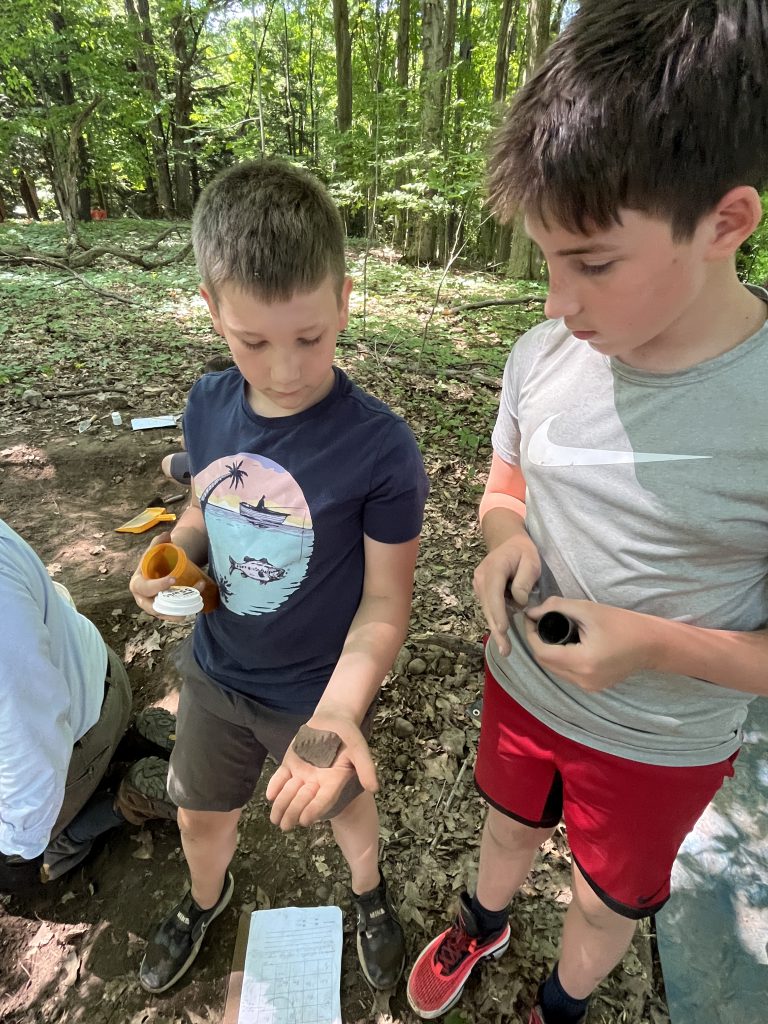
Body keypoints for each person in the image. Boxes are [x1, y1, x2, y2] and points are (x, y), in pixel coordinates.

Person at [407, 3, 768, 1023]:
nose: (558, 301)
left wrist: (650, 642)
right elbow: (506, 481)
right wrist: (503, 539)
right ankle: (486, 922)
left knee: (608, 901)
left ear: (725, 222)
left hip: (663, 741)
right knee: (506, 830)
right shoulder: (544, 355)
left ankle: (560, 1005)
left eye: (594, 262)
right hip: (522, 690)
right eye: (545, 258)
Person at [129, 158, 429, 994]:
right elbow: (200, 511)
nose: (287, 369)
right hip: (218, 672)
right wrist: (174, 559)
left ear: (344, 300)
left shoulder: (381, 449)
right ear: (212, 311)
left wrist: (336, 713)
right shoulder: (208, 404)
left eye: (311, 336)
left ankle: (369, 894)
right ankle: (203, 899)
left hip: (315, 688)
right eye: (253, 341)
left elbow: (383, 601)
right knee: (198, 811)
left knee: (346, 808)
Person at [0, 519, 175, 892]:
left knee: (14, 867)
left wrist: (17, 850)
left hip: (68, 739)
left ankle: (123, 800)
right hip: (98, 674)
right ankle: (128, 743)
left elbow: (32, 756)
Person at [160, 355, 235, 487]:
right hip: (241, 468)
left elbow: (187, 445)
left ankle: (197, 497)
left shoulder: (201, 403)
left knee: (167, 462)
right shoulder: (249, 401)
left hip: (214, 469)